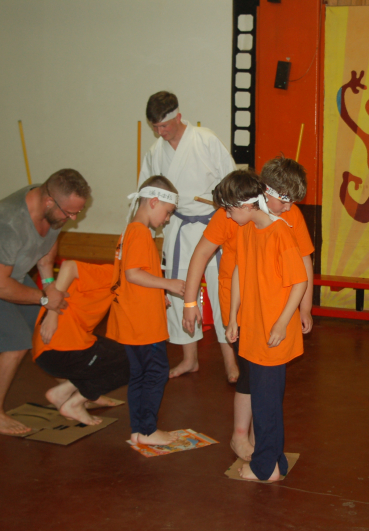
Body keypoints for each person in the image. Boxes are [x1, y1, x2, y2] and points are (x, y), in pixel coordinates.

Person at [181, 157, 314, 461]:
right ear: (264, 192)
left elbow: (303, 260)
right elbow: (202, 253)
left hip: (275, 307)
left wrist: (305, 307)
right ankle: (241, 436)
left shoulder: (287, 216)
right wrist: (190, 302)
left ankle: (261, 443)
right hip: (241, 306)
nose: (288, 208)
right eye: (284, 200)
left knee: (268, 379)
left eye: (292, 202)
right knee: (251, 375)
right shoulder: (234, 211)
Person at [0, 169, 89, 435]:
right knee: (14, 344)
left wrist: (48, 285)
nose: (73, 218)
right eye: (70, 213)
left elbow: (47, 248)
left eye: (77, 212)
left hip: (11, 272)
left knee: (44, 327)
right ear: (49, 201)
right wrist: (44, 298)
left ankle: (68, 391)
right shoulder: (5, 222)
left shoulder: (53, 208)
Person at [215, 172, 308, 482]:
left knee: (267, 404)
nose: (228, 216)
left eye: (229, 210)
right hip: (253, 328)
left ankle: (265, 468)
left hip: (272, 333)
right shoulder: (247, 229)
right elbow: (239, 271)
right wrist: (232, 316)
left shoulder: (280, 233)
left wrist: (281, 323)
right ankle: (275, 461)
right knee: (262, 398)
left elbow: (299, 282)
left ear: (247, 205)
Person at [138, 91, 237, 381]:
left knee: (220, 291)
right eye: (155, 127)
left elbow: (231, 179)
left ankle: (230, 361)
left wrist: (227, 206)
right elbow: (146, 196)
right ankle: (189, 358)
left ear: (178, 117)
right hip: (178, 226)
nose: (160, 132)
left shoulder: (205, 140)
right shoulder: (155, 153)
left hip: (212, 224)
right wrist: (142, 232)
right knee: (179, 290)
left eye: (164, 125)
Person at [106, 175, 186, 446]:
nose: (167, 219)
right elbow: (133, 273)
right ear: (154, 202)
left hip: (132, 318)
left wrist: (157, 294)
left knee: (139, 375)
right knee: (156, 372)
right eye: (168, 212)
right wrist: (168, 284)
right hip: (143, 323)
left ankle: (139, 430)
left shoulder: (130, 231)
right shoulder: (140, 233)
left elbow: (133, 277)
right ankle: (148, 431)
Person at [32, 260, 130, 426]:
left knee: (112, 352)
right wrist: (53, 312)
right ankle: (75, 403)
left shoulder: (123, 284)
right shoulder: (113, 273)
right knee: (136, 361)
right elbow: (69, 266)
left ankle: (61, 393)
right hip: (62, 351)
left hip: (47, 353)